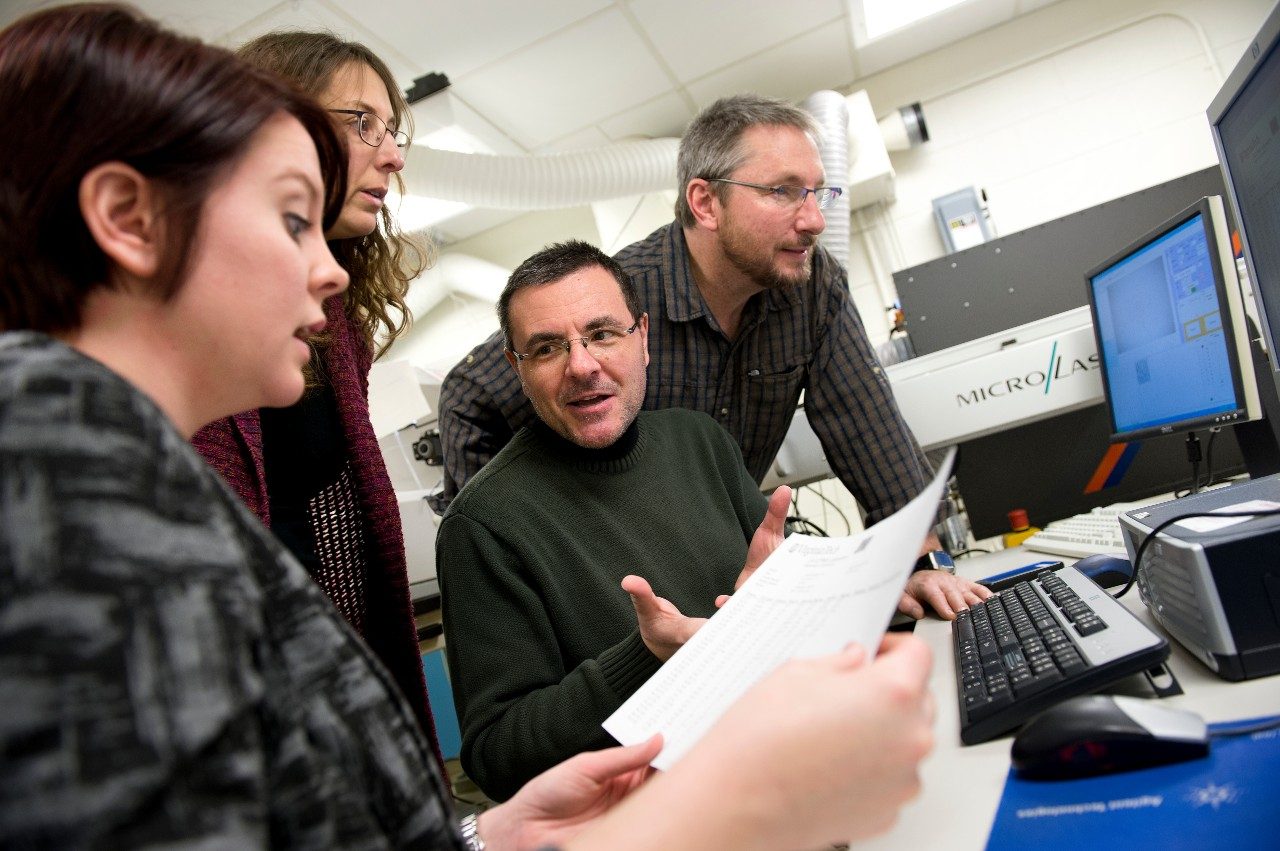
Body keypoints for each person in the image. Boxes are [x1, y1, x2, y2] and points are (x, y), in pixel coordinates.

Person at [0, 7, 936, 849]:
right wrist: (728, 807)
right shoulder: (56, 463)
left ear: (642, 341)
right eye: (291, 218)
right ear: (127, 218)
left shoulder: (144, 476)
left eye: (608, 336)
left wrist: (486, 838)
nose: (329, 276)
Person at [436, 240, 975, 800]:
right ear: (516, 368)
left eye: (602, 334)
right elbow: (497, 756)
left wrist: (885, 590)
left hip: (804, 764)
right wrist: (648, 657)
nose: (582, 365)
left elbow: (801, 628)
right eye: (547, 348)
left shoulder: (700, 441)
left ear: (642, 338)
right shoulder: (483, 525)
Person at [432, 94, 973, 614]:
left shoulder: (811, 288)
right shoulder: (622, 299)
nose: (813, 219)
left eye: (817, 193)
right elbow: (471, 392)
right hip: (628, 593)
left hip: (738, 578)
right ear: (706, 202)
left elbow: (866, 425)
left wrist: (921, 561)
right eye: (784, 191)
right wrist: (528, 560)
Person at [189, 30, 441, 763]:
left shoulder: (340, 322)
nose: (392, 154)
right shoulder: (188, 312)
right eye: (363, 122)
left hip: (326, 677)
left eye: (393, 130)